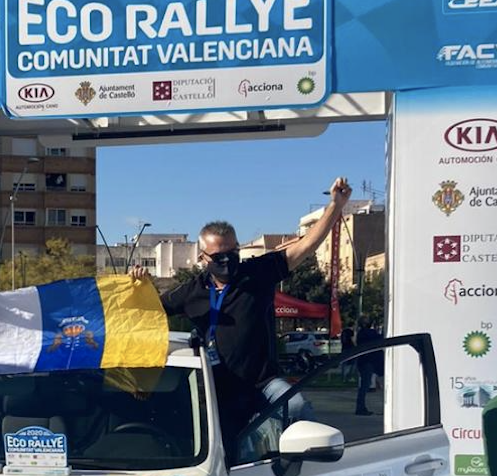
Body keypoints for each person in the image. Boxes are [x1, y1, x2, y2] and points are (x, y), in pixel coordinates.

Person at [132, 176, 352, 456]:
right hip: (218, 390)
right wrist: (139, 287)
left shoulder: (257, 273)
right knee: (231, 454)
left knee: (296, 408)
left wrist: (336, 206)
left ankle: (309, 472)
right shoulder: (191, 291)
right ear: (203, 257)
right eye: (218, 257)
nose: (227, 261)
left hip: (264, 383)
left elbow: (305, 245)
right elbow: (148, 313)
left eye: (232, 252)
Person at [354, 317, 383, 415]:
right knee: (365, 385)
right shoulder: (369, 333)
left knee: (365, 385)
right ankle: (360, 407)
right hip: (370, 362)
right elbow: (380, 340)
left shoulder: (361, 333)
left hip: (365, 361)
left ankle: (360, 407)